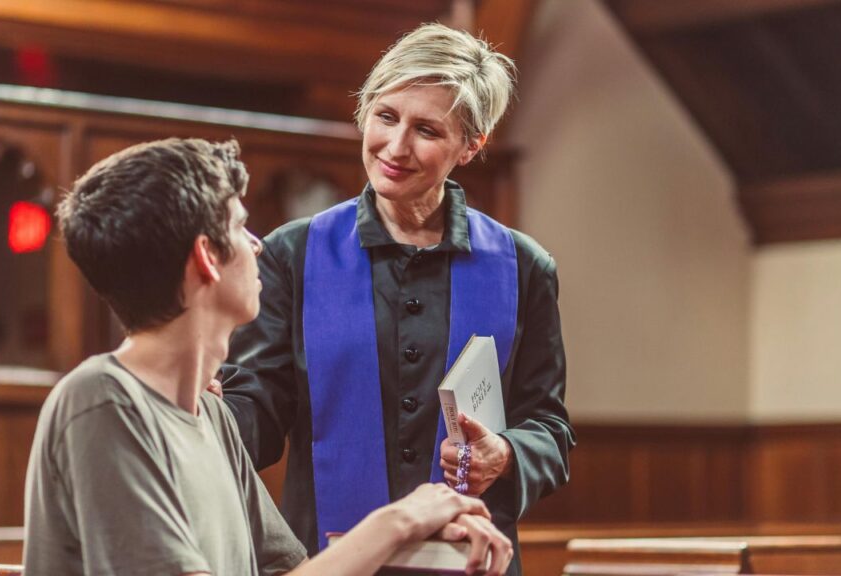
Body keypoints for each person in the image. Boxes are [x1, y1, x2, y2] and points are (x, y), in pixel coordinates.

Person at [22, 138, 513, 576]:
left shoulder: (210, 414)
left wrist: (421, 540)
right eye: (240, 227)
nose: (257, 245)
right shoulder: (101, 404)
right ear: (206, 258)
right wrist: (401, 517)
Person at [219, 22, 575, 576]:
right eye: (386, 116)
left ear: (471, 145)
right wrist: (200, 411)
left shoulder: (522, 266)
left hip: (472, 558)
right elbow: (259, 406)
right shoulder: (294, 253)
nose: (396, 146)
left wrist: (503, 454)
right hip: (332, 560)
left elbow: (548, 427)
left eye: (428, 130)